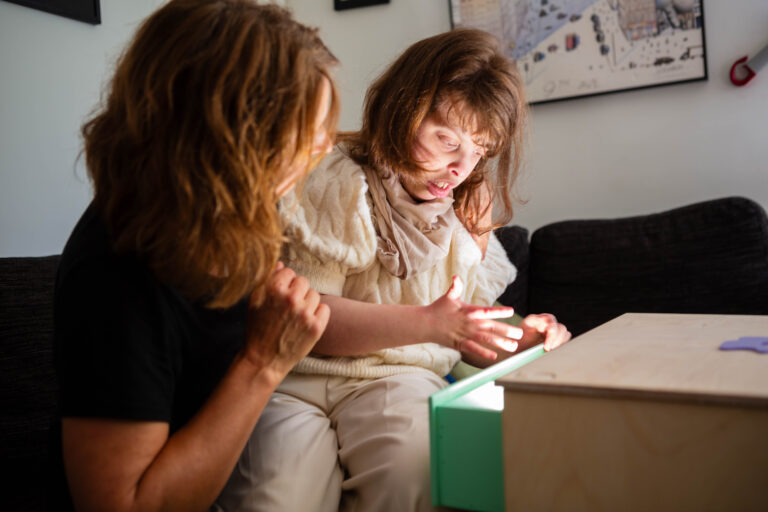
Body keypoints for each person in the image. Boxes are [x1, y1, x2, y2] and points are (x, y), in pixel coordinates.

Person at [215, 28, 571, 512]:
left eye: (480, 151)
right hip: (296, 379)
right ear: (404, 107)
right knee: (276, 494)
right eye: (446, 140)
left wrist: (522, 342)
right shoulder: (333, 176)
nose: (460, 168)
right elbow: (307, 321)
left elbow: (464, 328)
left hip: (400, 379)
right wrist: (429, 324)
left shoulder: (471, 204)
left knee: (414, 468)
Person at [51, 1, 340, 511]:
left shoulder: (236, 216)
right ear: (233, 137)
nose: (324, 147)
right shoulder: (115, 277)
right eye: (306, 131)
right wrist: (262, 363)